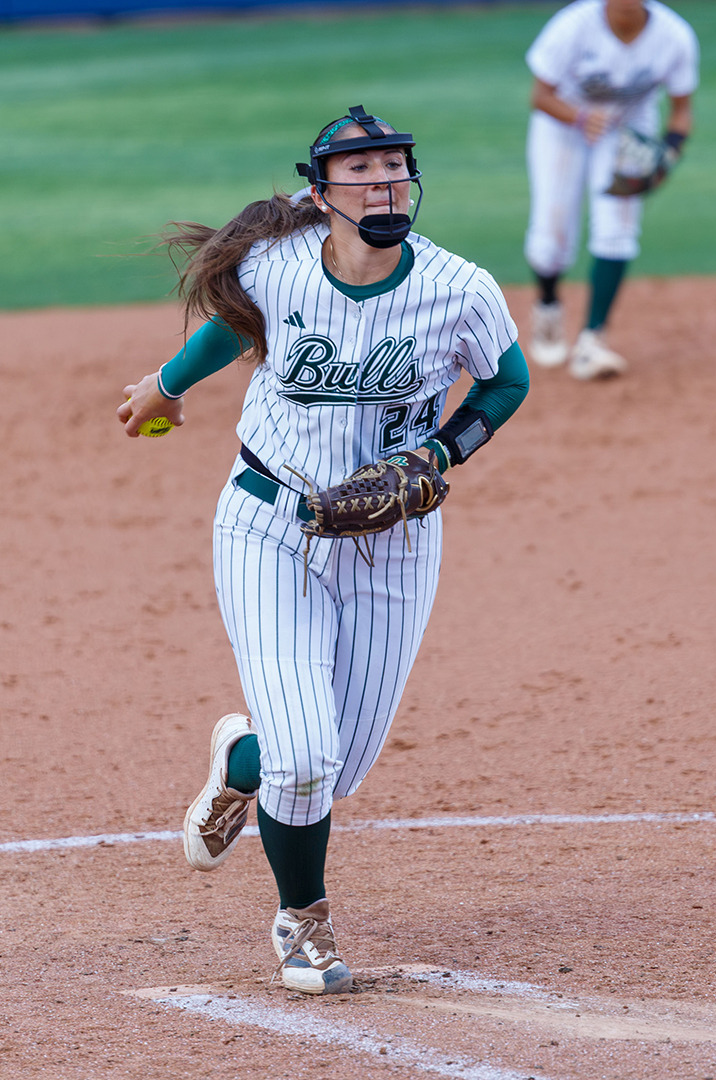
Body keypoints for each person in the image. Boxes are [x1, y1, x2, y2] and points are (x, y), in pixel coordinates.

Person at [116, 106, 530, 995]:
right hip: (270, 521)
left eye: (395, 171)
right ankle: (303, 923)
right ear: (321, 192)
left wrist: (443, 450)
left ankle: (240, 763)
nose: (384, 186)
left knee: (335, 763)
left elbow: (507, 380)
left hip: (395, 543)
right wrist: (165, 385)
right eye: (363, 173)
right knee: (306, 760)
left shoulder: (461, 287)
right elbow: (234, 325)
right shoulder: (279, 264)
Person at [522, 0, 699, 379]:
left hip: (627, 129)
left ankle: (592, 340)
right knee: (550, 239)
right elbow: (540, 96)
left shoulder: (674, 36)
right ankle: (549, 304)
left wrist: (668, 154)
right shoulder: (573, 26)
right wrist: (582, 117)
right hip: (563, 126)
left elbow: (682, 109)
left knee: (617, 230)